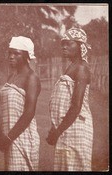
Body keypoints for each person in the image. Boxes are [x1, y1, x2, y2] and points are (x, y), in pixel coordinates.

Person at [46, 28, 93, 171]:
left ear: (80, 46)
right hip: (66, 127)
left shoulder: (82, 68)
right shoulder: (72, 66)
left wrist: (57, 131)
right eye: (63, 44)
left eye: (68, 43)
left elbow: (76, 106)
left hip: (76, 127)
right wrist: (56, 128)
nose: (64, 47)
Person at [0, 36, 41, 171]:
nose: (11, 56)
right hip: (9, 136)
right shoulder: (12, 77)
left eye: (16, 53)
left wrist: (8, 138)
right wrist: (0, 133)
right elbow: (7, 110)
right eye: (10, 53)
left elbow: (29, 113)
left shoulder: (31, 78)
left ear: (27, 56)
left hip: (23, 136)